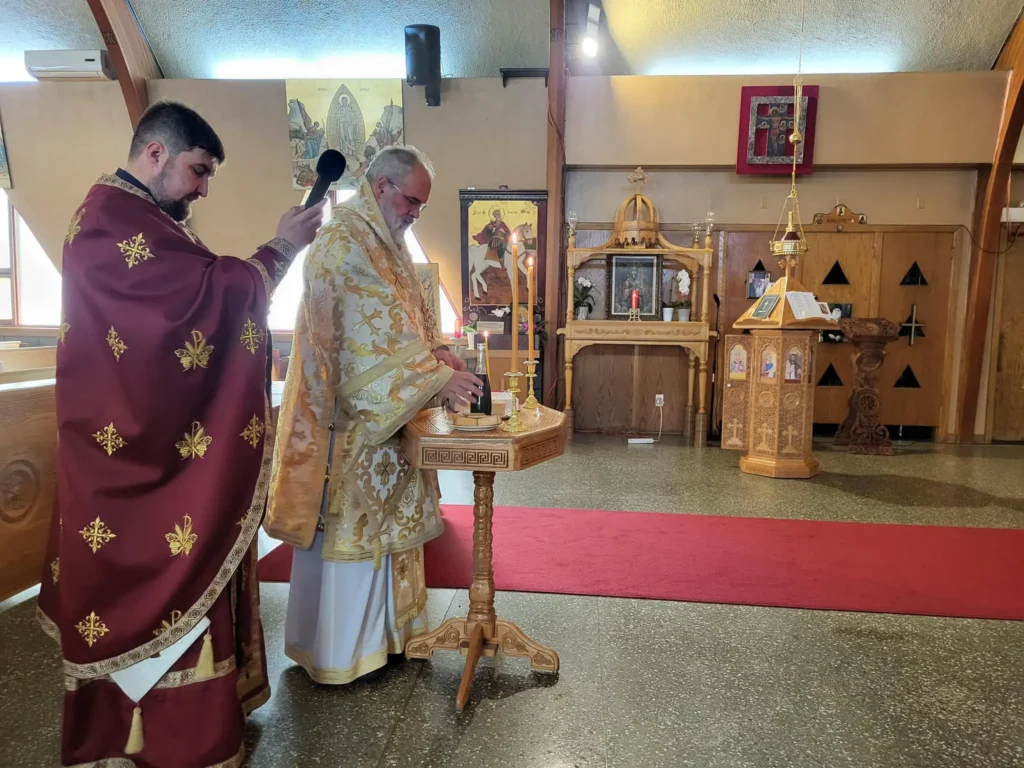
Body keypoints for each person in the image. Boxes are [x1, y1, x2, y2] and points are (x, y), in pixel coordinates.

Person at [36, 100, 327, 767]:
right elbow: (187, 315)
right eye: (198, 170)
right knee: (151, 577)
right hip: (128, 467)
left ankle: (186, 728)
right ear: (155, 153)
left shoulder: (139, 220)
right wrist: (279, 247)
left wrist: (266, 259)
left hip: (137, 449)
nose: (203, 187)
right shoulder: (111, 224)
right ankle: (156, 742)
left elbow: (196, 302)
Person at [266, 145, 482, 685]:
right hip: (352, 427)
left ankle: (389, 639)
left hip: (385, 426)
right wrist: (434, 378)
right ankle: (343, 651)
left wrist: (440, 353)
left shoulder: (384, 241)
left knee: (388, 535)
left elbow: (406, 318)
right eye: (412, 201)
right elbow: (363, 343)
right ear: (381, 186)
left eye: (421, 207)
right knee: (355, 535)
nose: (414, 213)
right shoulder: (344, 242)